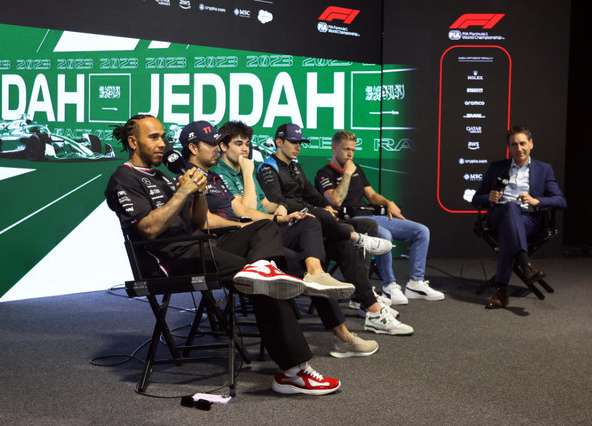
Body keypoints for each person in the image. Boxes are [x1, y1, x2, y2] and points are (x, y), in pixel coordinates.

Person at [104, 114, 344, 394]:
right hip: (171, 259)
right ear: (133, 142)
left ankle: (263, 268)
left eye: (163, 137)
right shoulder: (123, 178)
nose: (162, 144)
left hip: (201, 246)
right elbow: (148, 228)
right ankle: (293, 372)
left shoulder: (163, 177)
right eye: (153, 137)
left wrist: (199, 193)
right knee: (267, 285)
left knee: (264, 227)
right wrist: (183, 191)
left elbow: (197, 222)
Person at [257, 123, 413, 336]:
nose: (298, 147)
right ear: (279, 142)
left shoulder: (296, 167)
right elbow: (277, 202)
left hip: (308, 222)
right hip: (288, 226)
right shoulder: (267, 167)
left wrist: (326, 207)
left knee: (350, 237)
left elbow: (312, 194)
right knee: (326, 219)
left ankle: (372, 310)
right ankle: (357, 239)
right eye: (294, 142)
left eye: (300, 143)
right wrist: (319, 209)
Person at [315, 130, 444, 305]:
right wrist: (346, 174)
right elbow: (336, 200)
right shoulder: (324, 174)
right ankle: (389, 285)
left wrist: (387, 202)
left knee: (421, 231)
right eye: (346, 149)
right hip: (350, 221)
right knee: (385, 235)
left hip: (371, 216)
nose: (350, 154)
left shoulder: (357, 169)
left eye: (353, 150)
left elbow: (372, 195)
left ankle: (415, 284)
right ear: (334, 148)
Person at [472, 125, 567, 309]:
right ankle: (526, 264)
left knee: (510, 230)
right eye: (514, 144)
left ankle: (501, 291)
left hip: (529, 219)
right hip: (498, 217)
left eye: (523, 143)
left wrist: (536, 200)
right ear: (509, 147)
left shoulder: (544, 169)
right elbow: (476, 199)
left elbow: (561, 201)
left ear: (531, 144)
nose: (519, 148)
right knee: (510, 207)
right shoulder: (496, 167)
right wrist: (488, 197)